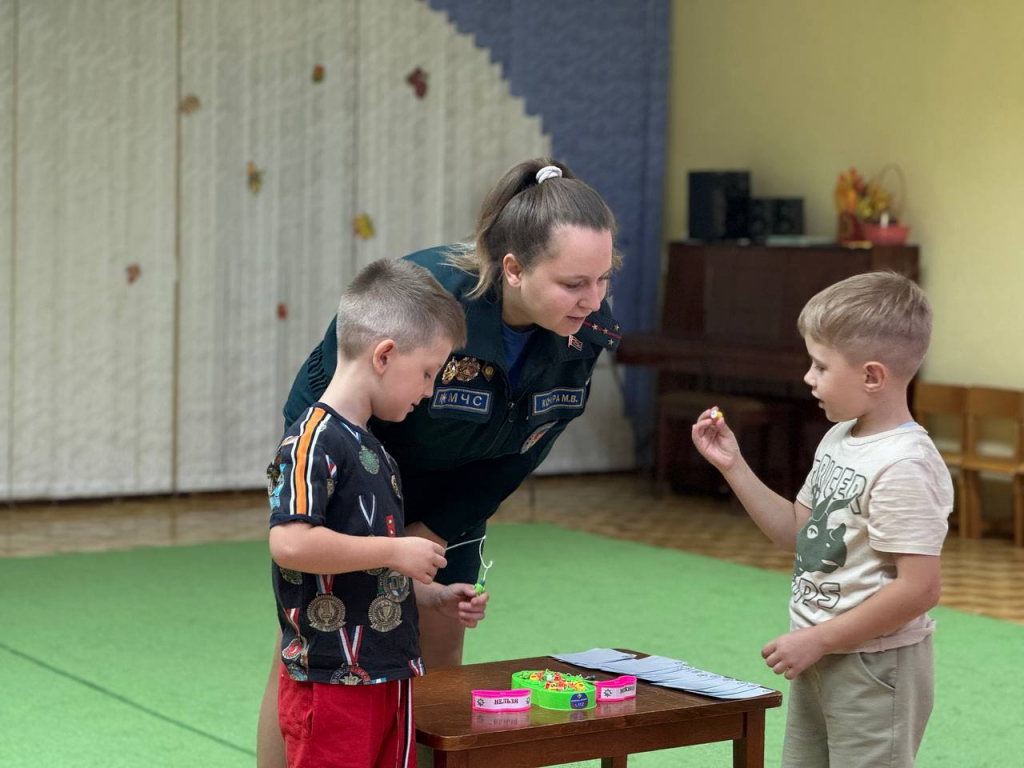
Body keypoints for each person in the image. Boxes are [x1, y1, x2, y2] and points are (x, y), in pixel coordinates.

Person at [258, 158, 622, 766]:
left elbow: (527, 446)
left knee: (430, 664)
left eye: (603, 278)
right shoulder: (424, 295)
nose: (593, 300)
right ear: (513, 269)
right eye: (572, 283)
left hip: (461, 491)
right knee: (316, 664)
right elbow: (318, 403)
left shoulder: (588, 330)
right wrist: (362, 526)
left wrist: (432, 533)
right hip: (360, 484)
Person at [692, 271, 953, 767]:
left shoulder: (904, 464)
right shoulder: (840, 439)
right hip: (821, 652)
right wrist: (733, 465)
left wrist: (818, 639)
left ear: (872, 376)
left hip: (875, 666)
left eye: (820, 365)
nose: (809, 378)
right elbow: (797, 534)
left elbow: (921, 588)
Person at [267, 259, 488, 767]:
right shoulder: (310, 440)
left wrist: (431, 594)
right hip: (332, 680)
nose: (431, 390)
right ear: (385, 355)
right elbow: (292, 543)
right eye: (428, 372)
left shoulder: (377, 451)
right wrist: (396, 548)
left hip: (388, 676)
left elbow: (368, 568)